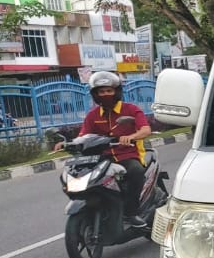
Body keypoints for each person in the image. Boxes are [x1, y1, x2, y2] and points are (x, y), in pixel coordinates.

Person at [59, 71, 152, 227]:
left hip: (127, 155)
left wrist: (132, 136)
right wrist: (67, 144)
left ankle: (132, 213)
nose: (106, 94)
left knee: (135, 172)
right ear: (95, 94)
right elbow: (83, 136)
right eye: (101, 92)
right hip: (101, 158)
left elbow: (145, 130)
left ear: (117, 91)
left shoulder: (131, 109)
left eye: (109, 90)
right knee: (83, 176)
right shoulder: (92, 115)